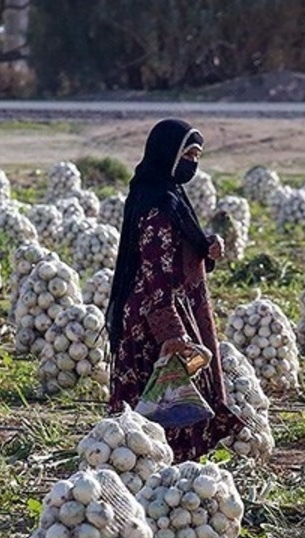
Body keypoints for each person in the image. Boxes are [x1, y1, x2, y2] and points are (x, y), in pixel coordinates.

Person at [106, 118, 242, 462]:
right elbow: (156, 272)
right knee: (164, 397)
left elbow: (179, 250)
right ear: (168, 155)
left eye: (197, 156)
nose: (192, 163)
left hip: (166, 307)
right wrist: (172, 333)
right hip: (155, 314)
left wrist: (205, 247)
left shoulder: (166, 195)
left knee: (165, 398)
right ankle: (160, 466)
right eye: (188, 154)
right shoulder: (158, 208)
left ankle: (159, 465)